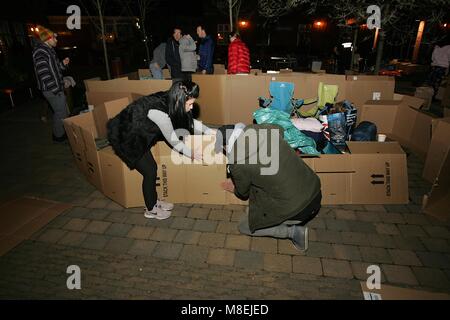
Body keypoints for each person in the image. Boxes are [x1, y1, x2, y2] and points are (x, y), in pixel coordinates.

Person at [107, 81, 215, 220]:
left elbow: (190, 122)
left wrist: (209, 131)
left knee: (152, 168)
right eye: (189, 104)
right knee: (150, 171)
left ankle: (154, 202)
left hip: (139, 131)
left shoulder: (173, 100)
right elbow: (173, 140)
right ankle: (151, 209)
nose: (192, 107)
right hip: (126, 136)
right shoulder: (161, 113)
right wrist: (192, 153)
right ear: (180, 100)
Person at [215, 123, 322, 252]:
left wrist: (233, 187)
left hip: (299, 209)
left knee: (244, 226)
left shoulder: (237, 163)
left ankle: (293, 232)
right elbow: (281, 129)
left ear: (226, 146)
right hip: (315, 189)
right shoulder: (264, 129)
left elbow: (242, 193)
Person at [32, 25, 70, 142]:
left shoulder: (50, 50)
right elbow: (44, 74)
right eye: (54, 38)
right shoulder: (40, 52)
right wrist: (56, 90)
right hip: (51, 89)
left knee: (63, 111)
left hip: (56, 87)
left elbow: (56, 68)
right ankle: (58, 136)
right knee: (60, 113)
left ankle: (60, 133)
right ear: (48, 39)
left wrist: (63, 64)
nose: (56, 40)